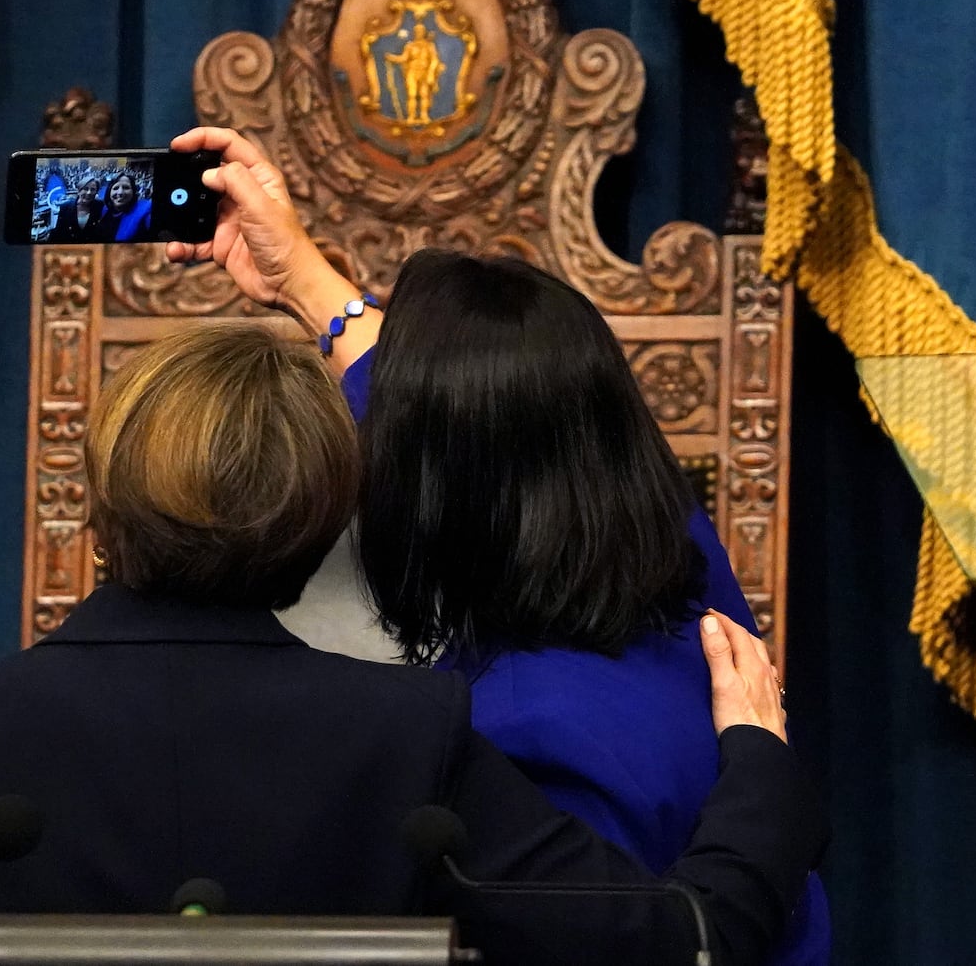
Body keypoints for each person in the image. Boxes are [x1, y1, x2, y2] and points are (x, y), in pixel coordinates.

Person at [0, 323, 823, 966]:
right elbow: (690, 940)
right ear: (316, 535)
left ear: (97, 514)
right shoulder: (405, 739)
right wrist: (758, 759)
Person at [166, 126, 831, 964]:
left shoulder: (525, 737)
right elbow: (496, 428)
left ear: (433, 496)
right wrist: (300, 276)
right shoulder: (696, 607)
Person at [47, 175, 105, 243]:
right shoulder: (65, 208)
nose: (89, 192)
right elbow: (59, 232)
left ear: (96, 192)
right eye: (85, 189)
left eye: (93, 189)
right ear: (79, 191)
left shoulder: (100, 206)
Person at [98, 171, 153, 242]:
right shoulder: (105, 209)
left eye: (126, 187)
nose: (120, 192)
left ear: (133, 191)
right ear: (109, 192)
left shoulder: (145, 209)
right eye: (115, 188)